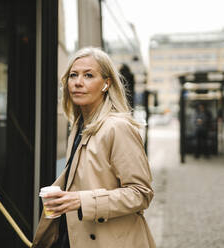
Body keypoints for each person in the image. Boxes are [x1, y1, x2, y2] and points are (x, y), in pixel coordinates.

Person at [32, 47, 155, 248]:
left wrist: (82, 200)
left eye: (88, 75)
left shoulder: (117, 127)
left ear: (106, 84)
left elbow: (141, 193)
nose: (78, 82)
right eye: (73, 75)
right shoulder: (80, 125)